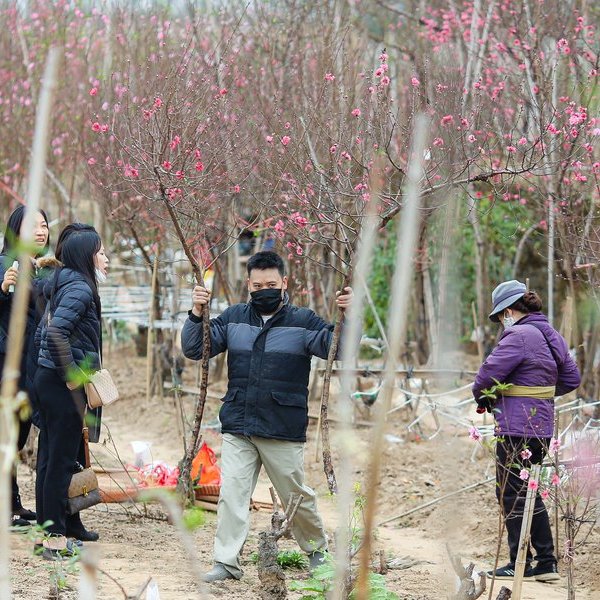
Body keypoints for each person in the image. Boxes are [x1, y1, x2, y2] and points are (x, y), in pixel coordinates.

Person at [182, 250, 354, 583]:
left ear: (284, 282)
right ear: (248, 284)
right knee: (232, 492)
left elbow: (340, 349)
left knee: (295, 495)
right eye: (258, 285)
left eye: (271, 284)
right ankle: (226, 562)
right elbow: (195, 349)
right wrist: (196, 311)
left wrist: (349, 317)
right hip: (239, 424)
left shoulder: (303, 321)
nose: (265, 290)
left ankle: (317, 552)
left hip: (282, 427)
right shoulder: (233, 318)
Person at [473, 280, 580, 582]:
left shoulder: (517, 334)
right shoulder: (550, 334)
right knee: (528, 491)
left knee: (510, 491)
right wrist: (537, 394)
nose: (501, 323)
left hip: (516, 427)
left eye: (500, 317)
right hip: (541, 426)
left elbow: (484, 379)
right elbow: (571, 378)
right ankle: (546, 562)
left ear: (508, 310)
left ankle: (518, 562)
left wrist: (492, 398)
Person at [34, 224, 108, 558]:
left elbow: (43, 333)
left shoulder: (65, 283)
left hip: (48, 380)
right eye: (101, 252)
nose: (106, 259)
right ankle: (54, 538)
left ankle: (54, 530)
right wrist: (73, 374)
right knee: (60, 462)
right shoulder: (79, 288)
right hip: (61, 384)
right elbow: (54, 334)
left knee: (53, 459)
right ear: (87, 256)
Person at [0, 205, 51, 527]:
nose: (40, 231)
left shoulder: (41, 268)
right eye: (32, 226)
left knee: (15, 438)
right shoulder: (7, 264)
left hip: (28, 365)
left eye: (44, 225)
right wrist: (3, 288)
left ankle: (12, 503)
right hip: (8, 366)